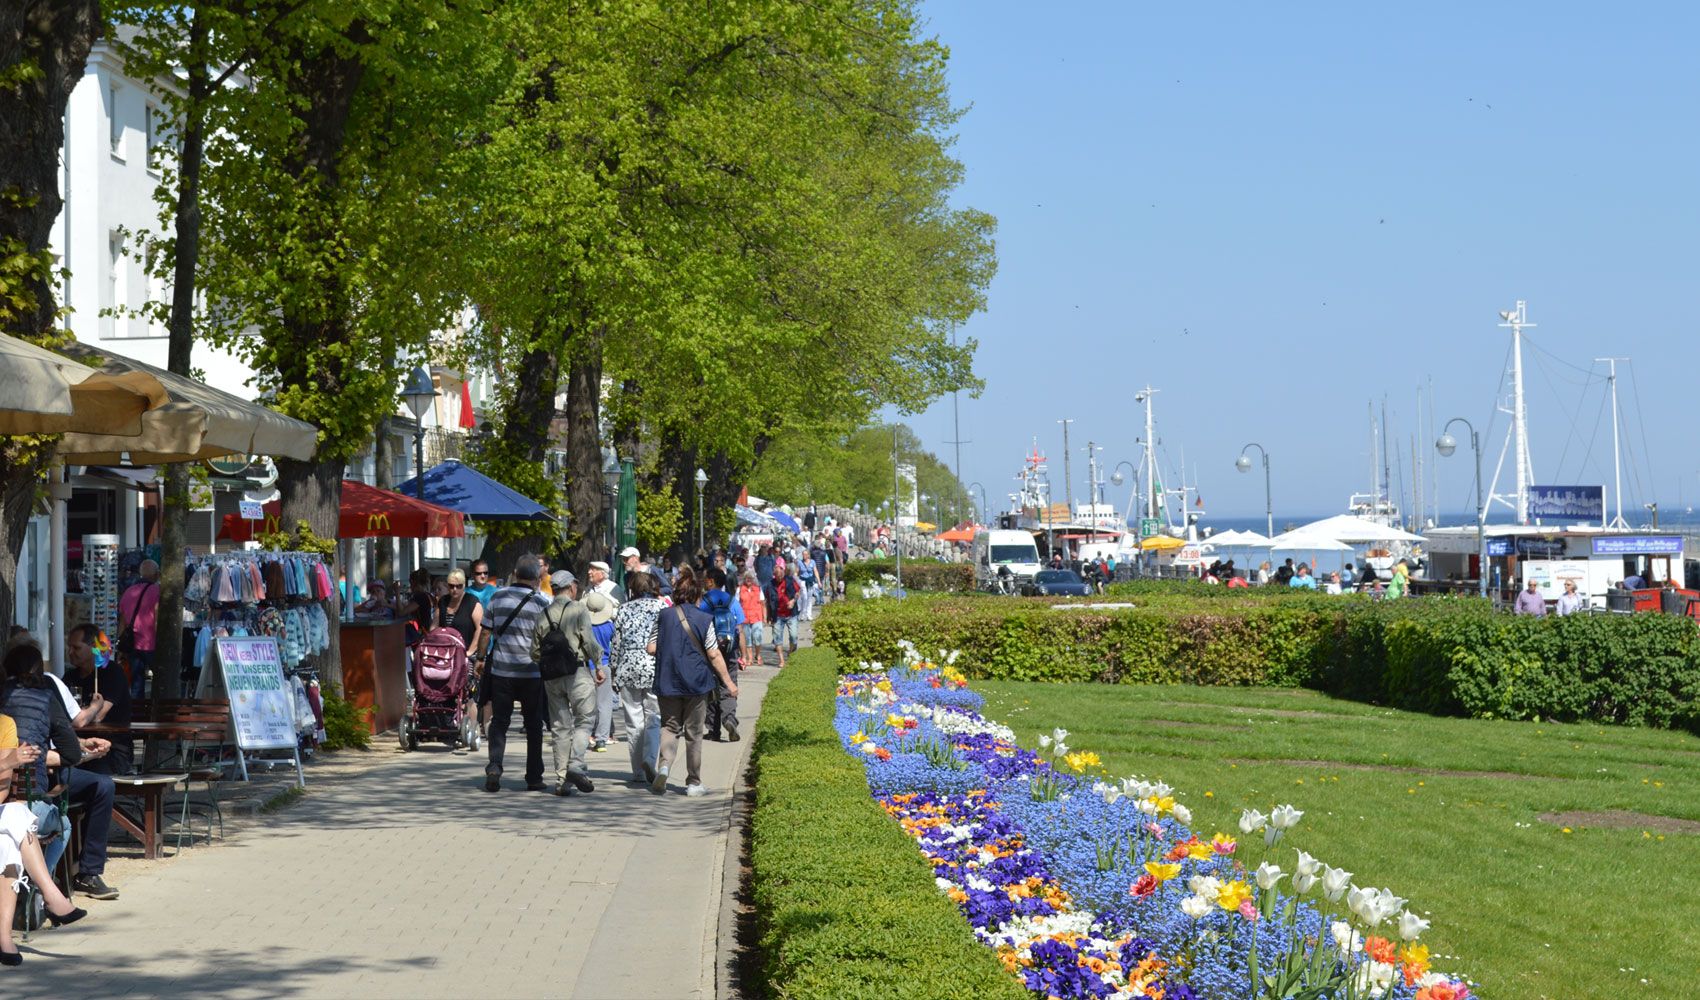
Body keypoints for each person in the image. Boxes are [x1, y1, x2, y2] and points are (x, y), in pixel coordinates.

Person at [2, 642, 119, 899]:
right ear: (38, 671)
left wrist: (82, 744)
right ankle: (48, 889)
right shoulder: (45, 696)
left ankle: (78, 877)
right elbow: (68, 755)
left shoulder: (8, 699)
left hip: (14, 786)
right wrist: (79, 752)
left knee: (100, 786)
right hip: (30, 793)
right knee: (65, 818)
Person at [1, 712, 87, 965]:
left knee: (12, 827)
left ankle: (4, 938)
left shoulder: (4, 724)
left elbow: (2, 789)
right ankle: (50, 896)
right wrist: (8, 762)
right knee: (14, 824)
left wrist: (7, 763)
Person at [645, 566, 738, 796]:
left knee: (669, 727)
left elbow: (651, 648)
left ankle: (664, 766)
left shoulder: (664, 616)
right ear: (697, 595)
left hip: (668, 681)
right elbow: (714, 654)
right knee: (694, 733)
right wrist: (729, 683)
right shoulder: (705, 619)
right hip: (697, 683)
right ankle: (693, 783)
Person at [483, 555, 553, 793]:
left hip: (502, 671)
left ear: (514, 573)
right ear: (536, 577)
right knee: (533, 725)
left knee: (499, 722)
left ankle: (494, 766)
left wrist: (482, 659)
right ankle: (534, 777)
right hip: (531, 673)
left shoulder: (497, 597)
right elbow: (547, 638)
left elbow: (485, 632)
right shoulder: (542, 603)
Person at [533, 571, 602, 796]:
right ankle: (575, 764)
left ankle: (562, 781)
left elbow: (534, 652)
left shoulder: (542, 613)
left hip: (551, 677)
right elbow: (589, 641)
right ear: (571, 587)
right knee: (584, 720)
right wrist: (598, 664)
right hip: (578, 672)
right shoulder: (578, 609)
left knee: (560, 728)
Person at [610, 570, 665, 785]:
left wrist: (614, 669)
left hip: (628, 665)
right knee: (654, 716)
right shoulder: (661, 608)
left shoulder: (623, 610)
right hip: (653, 665)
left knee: (633, 720)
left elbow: (616, 642)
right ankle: (650, 759)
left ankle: (637, 771)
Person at [67, 624, 132, 776]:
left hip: (111, 749)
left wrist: (89, 710)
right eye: (69, 647)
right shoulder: (70, 676)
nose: (70, 652)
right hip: (77, 746)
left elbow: (97, 716)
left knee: (91, 775)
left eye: (76, 648)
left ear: (92, 647)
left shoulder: (112, 673)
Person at [699, 567, 742, 742]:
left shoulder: (704, 601)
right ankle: (729, 718)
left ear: (711, 581)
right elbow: (739, 627)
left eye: (705, 579)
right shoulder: (732, 600)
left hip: (709, 650)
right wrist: (744, 654)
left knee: (711, 687)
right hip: (730, 649)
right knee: (729, 682)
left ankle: (713, 729)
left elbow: (698, 626)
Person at [116, 559, 159, 700]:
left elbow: (122, 623)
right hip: (151, 644)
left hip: (133, 644)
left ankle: (137, 714)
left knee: (136, 684)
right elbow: (158, 620)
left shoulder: (128, 592)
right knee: (160, 682)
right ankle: (157, 712)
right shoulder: (157, 591)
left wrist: (121, 648)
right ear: (156, 574)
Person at [584, 592, 618, 751]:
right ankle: (602, 739)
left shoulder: (584, 625)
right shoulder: (610, 626)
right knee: (605, 705)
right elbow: (616, 646)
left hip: (585, 667)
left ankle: (584, 737)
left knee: (586, 705)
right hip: (604, 666)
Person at [764, 562, 802, 668]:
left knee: (793, 636)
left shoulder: (790, 581)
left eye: (781, 575)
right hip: (777, 615)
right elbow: (767, 602)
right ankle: (781, 660)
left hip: (791, 614)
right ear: (774, 575)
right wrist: (767, 616)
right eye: (777, 576)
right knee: (777, 638)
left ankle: (790, 652)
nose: (779, 578)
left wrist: (793, 601)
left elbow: (798, 592)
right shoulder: (770, 585)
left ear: (783, 573)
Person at [437, 568, 484, 654]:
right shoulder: (443, 601)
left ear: (464, 585)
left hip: (466, 655)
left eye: (459, 586)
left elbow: (480, 629)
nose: (455, 589)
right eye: (451, 586)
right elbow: (434, 626)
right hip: (445, 654)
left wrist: (470, 651)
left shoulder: (472, 602)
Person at [736, 569, 767, 667]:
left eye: (750, 578)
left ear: (753, 579)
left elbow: (763, 604)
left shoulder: (758, 588)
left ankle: (758, 655)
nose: (748, 579)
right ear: (744, 579)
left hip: (757, 616)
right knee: (747, 638)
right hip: (744, 617)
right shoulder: (740, 589)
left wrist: (765, 617)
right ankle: (749, 658)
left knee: (757, 637)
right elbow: (736, 604)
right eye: (746, 578)